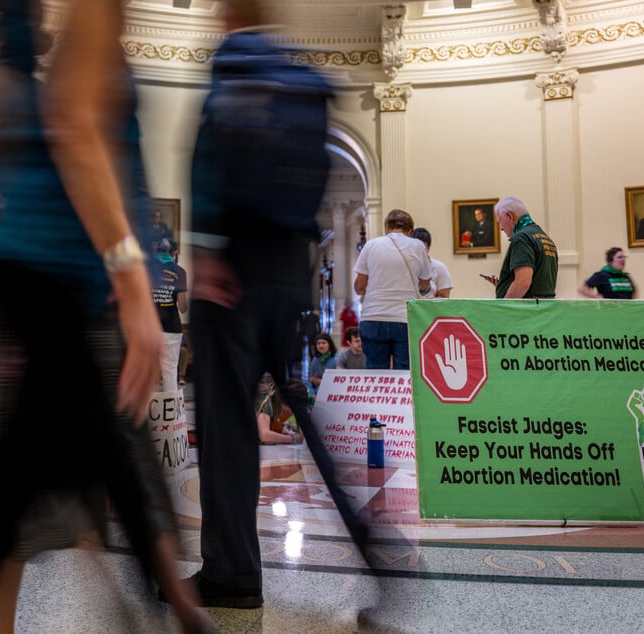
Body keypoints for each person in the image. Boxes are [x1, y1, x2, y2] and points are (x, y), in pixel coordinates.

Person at [0, 1, 204, 632]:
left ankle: (175, 611)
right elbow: (82, 144)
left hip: (30, 307)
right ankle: (179, 611)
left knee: (27, 491)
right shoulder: (51, 87)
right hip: (60, 295)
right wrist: (132, 278)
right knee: (99, 462)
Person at [186, 0, 357, 609]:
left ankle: (231, 574)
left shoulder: (233, 66)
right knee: (303, 416)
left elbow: (209, 166)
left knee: (227, 425)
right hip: (290, 272)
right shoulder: (307, 81)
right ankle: (374, 550)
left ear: (230, 14)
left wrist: (206, 252)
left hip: (231, 271)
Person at [353, 209, 430, 370]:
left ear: (387, 226)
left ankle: (376, 395)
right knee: (404, 375)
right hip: (404, 319)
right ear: (410, 230)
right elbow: (425, 283)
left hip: (373, 317)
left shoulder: (371, 245)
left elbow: (359, 286)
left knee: (375, 374)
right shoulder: (418, 246)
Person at [482, 196, 558, 299]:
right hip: (544, 308)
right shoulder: (543, 237)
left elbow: (523, 283)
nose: (501, 228)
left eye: (500, 221)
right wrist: (504, 285)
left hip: (526, 311)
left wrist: (503, 308)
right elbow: (539, 282)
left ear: (510, 216)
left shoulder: (522, 238)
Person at [151, 237, 187, 392]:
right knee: (170, 370)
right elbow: (183, 307)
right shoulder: (180, 272)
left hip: (151, 327)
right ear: (175, 253)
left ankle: (146, 413)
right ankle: (170, 414)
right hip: (172, 327)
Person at [255, 375, 303, 445]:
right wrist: (293, 438)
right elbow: (264, 435)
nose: (291, 413)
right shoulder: (266, 398)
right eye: (292, 410)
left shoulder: (276, 398)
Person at [411, 227, 453, 298]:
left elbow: (444, 298)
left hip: (430, 308)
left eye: (422, 249)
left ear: (429, 248)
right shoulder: (404, 267)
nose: (419, 252)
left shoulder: (439, 267)